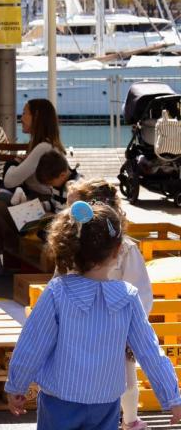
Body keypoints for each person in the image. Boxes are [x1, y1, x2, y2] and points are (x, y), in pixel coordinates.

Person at [6, 202, 181, 429]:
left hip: (60, 399)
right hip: (105, 403)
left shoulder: (57, 292)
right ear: (119, 249)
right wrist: (172, 398)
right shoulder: (127, 297)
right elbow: (150, 352)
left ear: (69, 246)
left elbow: (32, 344)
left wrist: (16, 385)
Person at [60, 179, 153, 430]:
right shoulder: (71, 246)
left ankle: (130, 420)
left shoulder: (125, 249)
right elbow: (59, 281)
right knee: (82, 374)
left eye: (72, 208)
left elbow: (140, 290)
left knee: (125, 375)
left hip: (116, 326)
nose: (66, 213)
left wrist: (132, 328)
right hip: (79, 324)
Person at [0, 98, 66, 279]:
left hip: (38, 211)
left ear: (37, 117)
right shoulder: (38, 145)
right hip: (28, 200)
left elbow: (9, 180)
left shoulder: (43, 148)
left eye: (25, 113)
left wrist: (15, 162)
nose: (21, 117)